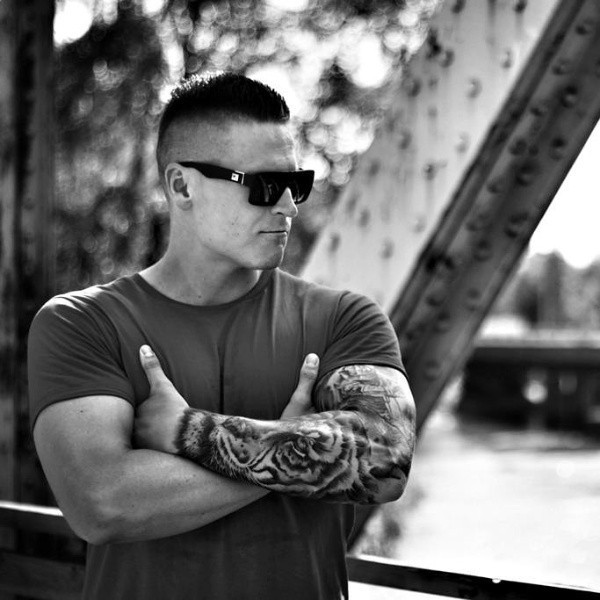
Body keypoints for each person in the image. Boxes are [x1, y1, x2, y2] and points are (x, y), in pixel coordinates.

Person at [28, 73, 416, 600]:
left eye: (296, 184)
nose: (288, 206)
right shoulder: (82, 323)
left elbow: (385, 460)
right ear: (182, 186)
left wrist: (190, 433)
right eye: (264, 186)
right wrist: (294, 443)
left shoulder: (344, 319)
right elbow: (103, 504)